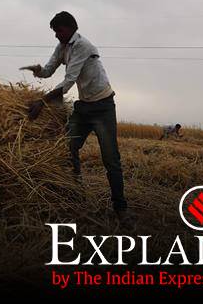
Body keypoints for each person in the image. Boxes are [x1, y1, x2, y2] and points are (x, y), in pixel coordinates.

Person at [22, 11, 128, 219]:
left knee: (111, 159)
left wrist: (42, 101)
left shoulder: (83, 46)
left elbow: (69, 81)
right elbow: (49, 70)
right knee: (66, 147)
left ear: (71, 28)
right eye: (54, 31)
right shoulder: (62, 47)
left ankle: (121, 208)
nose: (56, 35)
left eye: (58, 31)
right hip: (84, 107)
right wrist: (38, 70)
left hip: (103, 107)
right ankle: (76, 189)